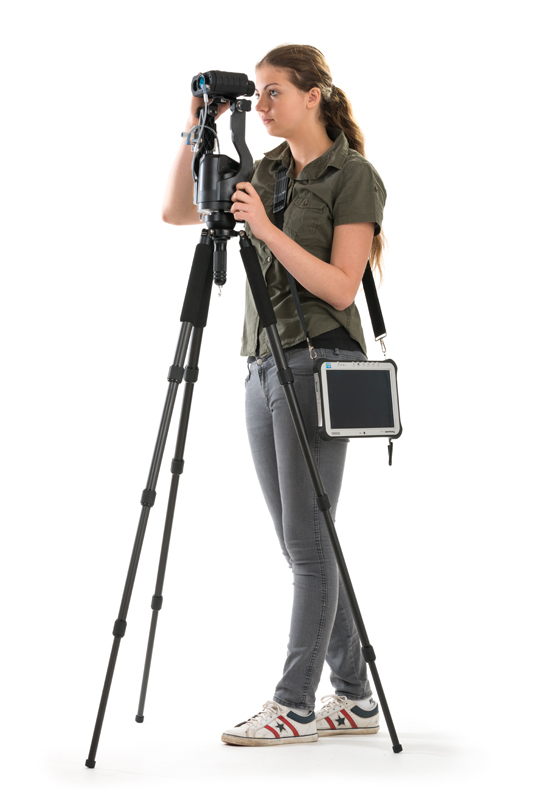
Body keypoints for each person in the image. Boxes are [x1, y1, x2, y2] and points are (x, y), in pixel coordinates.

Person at [161, 44, 387, 747]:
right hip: (262, 365)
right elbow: (176, 211)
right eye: (254, 94)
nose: (259, 105)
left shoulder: (353, 176)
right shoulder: (267, 171)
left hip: (319, 364)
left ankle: (294, 705)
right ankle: (355, 696)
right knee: (303, 546)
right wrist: (196, 126)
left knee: (308, 545)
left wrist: (263, 228)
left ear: (314, 95)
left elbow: (342, 287)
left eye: (273, 92)